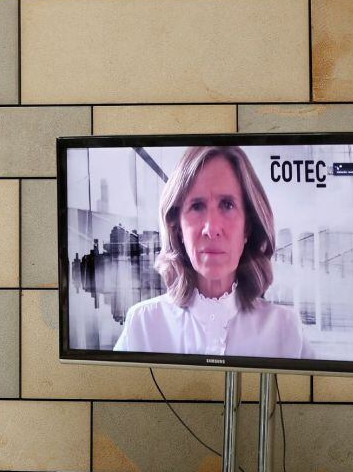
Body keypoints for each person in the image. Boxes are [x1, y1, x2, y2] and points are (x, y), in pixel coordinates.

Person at [114, 145, 309, 358]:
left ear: (248, 227)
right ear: (177, 227)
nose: (212, 229)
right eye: (197, 206)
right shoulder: (143, 326)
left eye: (227, 205)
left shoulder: (286, 329)